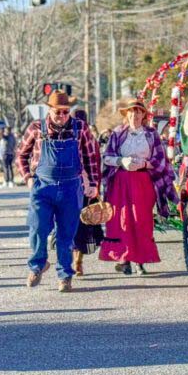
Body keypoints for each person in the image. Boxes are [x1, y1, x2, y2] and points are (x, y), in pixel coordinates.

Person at [16, 90, 100, 293]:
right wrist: (28, 178)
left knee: (66, 234)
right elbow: (21, 155)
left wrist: (93, 183)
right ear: (49, 110)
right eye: (57, 112)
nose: (62, 116)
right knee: (37, 227)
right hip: (42, 187)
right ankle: (37, 265)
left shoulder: (80, 128)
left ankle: (65, 276)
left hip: (71, 188)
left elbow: (91, 157)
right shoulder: (36, 128)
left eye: (65, 112)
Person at [99, 99, 178, 275]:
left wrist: (144, 163)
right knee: (122, 220)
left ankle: (140, 260)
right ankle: (124, 259)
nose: (134, 114)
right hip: (120, 182)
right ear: (127, 114)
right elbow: (106, 157)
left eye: (138, 111)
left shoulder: (151, 134)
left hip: (143, 182)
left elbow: (160, 160)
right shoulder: (118, 133)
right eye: (131, 111)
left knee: (141, 220)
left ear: (143, 115)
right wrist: (121, 161)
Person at [71, 109, 103, 276]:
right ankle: (78, 261)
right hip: (88, 188)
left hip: (73, 186)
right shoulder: (91, 139)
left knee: (71, 224)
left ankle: (74, 260)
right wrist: (97, 186)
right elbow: (96, 164)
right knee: (84, 225)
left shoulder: (70, 136)